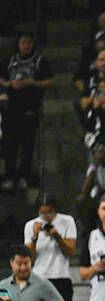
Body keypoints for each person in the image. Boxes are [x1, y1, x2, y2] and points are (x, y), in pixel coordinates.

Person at [0, 32, 53, 191]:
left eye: (28, 42)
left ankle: (24, 176)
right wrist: (10, 84)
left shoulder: (40, 60)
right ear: (18, 44)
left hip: (30, 109)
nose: (26, 46)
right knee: (10, 145)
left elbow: (49, 81)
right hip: (10, 110)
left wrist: (32, 82)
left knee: (27, 146)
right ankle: (9, 176)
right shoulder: (10, 60)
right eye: (23, 42)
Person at [24, 194, 77, 301]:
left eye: (49, 212)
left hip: (61, 276)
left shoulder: (67, 221)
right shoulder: (31, 225)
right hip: (38, 277)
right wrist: (34, 237)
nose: (46, 217)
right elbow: (29, 259)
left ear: (55, 210)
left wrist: (58, 237)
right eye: (42, 213)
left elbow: (71, 251)